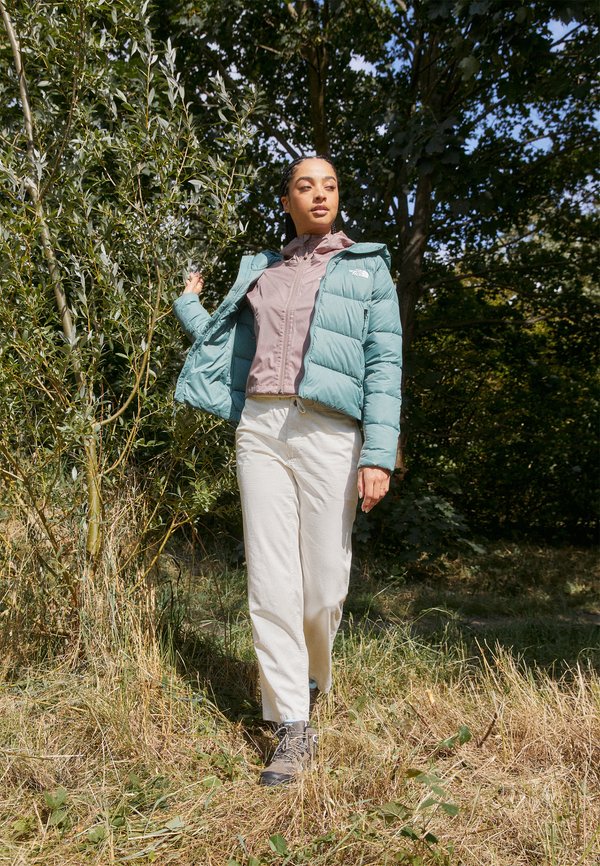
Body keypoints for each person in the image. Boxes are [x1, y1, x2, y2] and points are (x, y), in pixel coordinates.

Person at [173, 155, 402, 786]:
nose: (320, 194)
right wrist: (188, 305)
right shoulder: (262, 271)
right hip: (262, 428)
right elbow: (222, 344)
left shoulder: (367, 267)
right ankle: (291, 724)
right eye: (306, 185)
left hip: (331, 431)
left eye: (330, 185)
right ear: (287, 201)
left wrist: (379, 454)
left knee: (324, 584)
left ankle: (311, 678)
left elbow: (385, 365)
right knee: (271, 578)